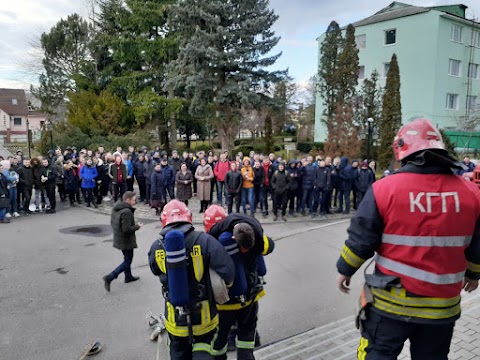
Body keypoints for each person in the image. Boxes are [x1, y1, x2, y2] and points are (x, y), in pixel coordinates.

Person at [336, 118, 480, 360]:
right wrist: (474, 274)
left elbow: (362, 238)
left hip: (390, 306)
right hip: (441, 308)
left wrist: (345, 269)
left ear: (402, 150)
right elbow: (478, 245)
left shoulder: (385, 189)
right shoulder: (472, 194)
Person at [148, 200, 235, 360]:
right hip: (205, 319)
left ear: (163, 220)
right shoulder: (205, 240)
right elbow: (228, 272)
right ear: (189, 217)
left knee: (178, 353)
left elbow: (155, 270)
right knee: (206, 350)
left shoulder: (156, 247)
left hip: (175, 320)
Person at [205, 206, 275, 358]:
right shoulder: (251, 235)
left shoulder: (210, 243)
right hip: (249, 300)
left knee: (218, 344)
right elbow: (265, 258)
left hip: (222, 306)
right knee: (246, 339)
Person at [103, 191, 143, 292]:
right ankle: (110, 277)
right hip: (125, 240)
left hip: (119, 238)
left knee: (127, 257)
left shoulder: (117, 208)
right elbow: (126, 229)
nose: (135, 201)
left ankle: (128, 276)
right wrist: (138, 226)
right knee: (128, 260)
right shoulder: (126, 212)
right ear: (128, 200)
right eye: (134, 200)